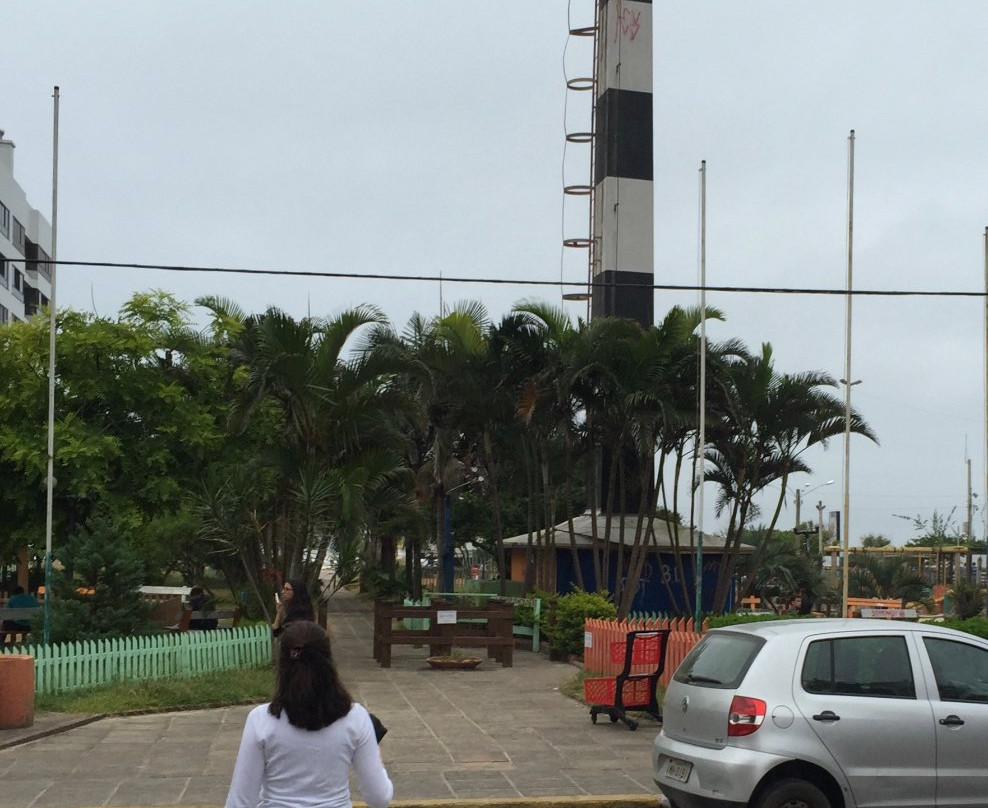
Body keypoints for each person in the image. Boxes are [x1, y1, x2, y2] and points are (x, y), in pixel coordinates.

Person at [224, 620, 393, 808]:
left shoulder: (260, 720)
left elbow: (240, 801)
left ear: (282, 664)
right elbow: (379, 798)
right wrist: (376, 757)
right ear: (329, 662)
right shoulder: (356, 719)